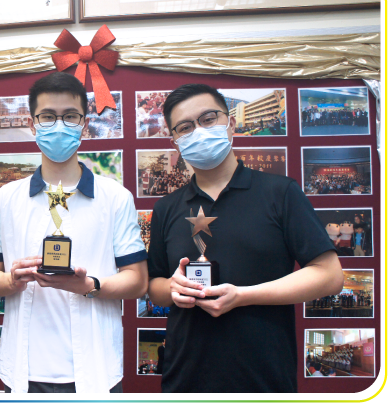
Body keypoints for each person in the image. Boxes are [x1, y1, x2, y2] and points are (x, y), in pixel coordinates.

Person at [147, 83, 343, 393]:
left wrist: (244, 295)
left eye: (208, 119)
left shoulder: (281, 193)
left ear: (231, 124)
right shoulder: (166, 208)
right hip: (184, 379)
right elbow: (154, 288)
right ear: (176, 143)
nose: (198, 131)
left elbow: (330, 277)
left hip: (264, 380)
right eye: (185, 127)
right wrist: (172, 288)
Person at [0, 72, 148, 393]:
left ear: (84, 125)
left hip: (96, 372)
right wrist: (10, 280)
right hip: (23, 373)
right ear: (32, 124)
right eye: (47, 116)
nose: (59, 125)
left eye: (70, 116)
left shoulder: (115, 197)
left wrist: (89, 286)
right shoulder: (6, 198)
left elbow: (137, 281)